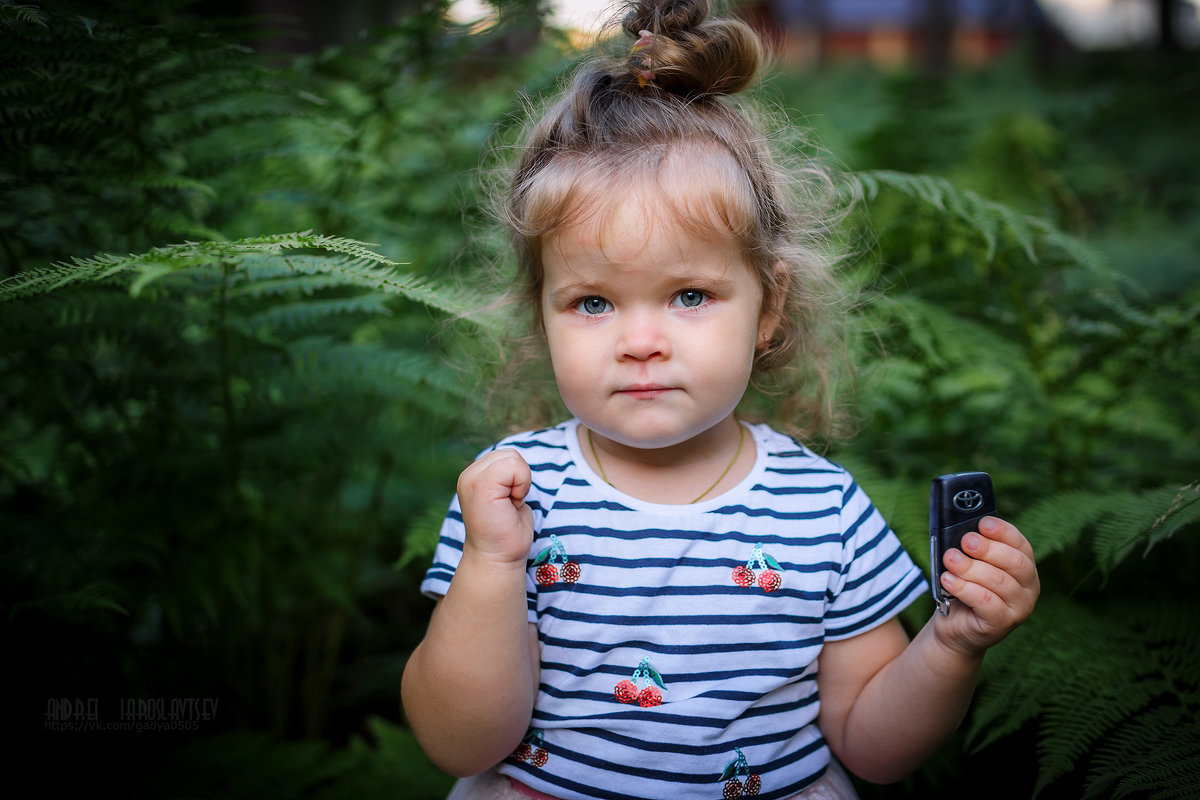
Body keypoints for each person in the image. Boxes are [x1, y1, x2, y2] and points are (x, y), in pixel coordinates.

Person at [401, 1, 1040, 798]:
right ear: (543, 315)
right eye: (592, 302)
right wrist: (493, 565)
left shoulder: (822, 511)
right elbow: (459, 742)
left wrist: (952, 643)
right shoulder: (516, 499)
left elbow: (873, 747)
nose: (640, 340)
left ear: (768, 308)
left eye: (691, 295)